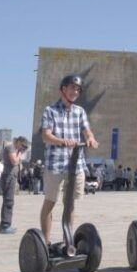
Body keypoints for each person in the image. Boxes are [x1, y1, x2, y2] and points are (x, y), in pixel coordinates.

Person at [38, 74, 100, 246]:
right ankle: (46, 243)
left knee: (70, 204)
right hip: (55, 164)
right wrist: (63, 141)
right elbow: (46, 135)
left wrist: (91, 140)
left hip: (76, 165)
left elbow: (87, 131)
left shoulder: (80, 112)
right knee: (50, 202)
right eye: (72, 88)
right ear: (62, 90)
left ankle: (68, 242)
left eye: (78, 89)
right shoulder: (50, 111)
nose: (75, 92)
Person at [0, 136, 28, 234]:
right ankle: (5, 225)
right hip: (9, 176)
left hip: (12, 176)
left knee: (9, 200)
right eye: (23, 146)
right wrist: (19, 153)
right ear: (19, 142)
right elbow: (14, 161)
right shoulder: (10, 147)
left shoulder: (14, 149)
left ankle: (5, 224)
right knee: (8, 201)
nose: (23, 148)